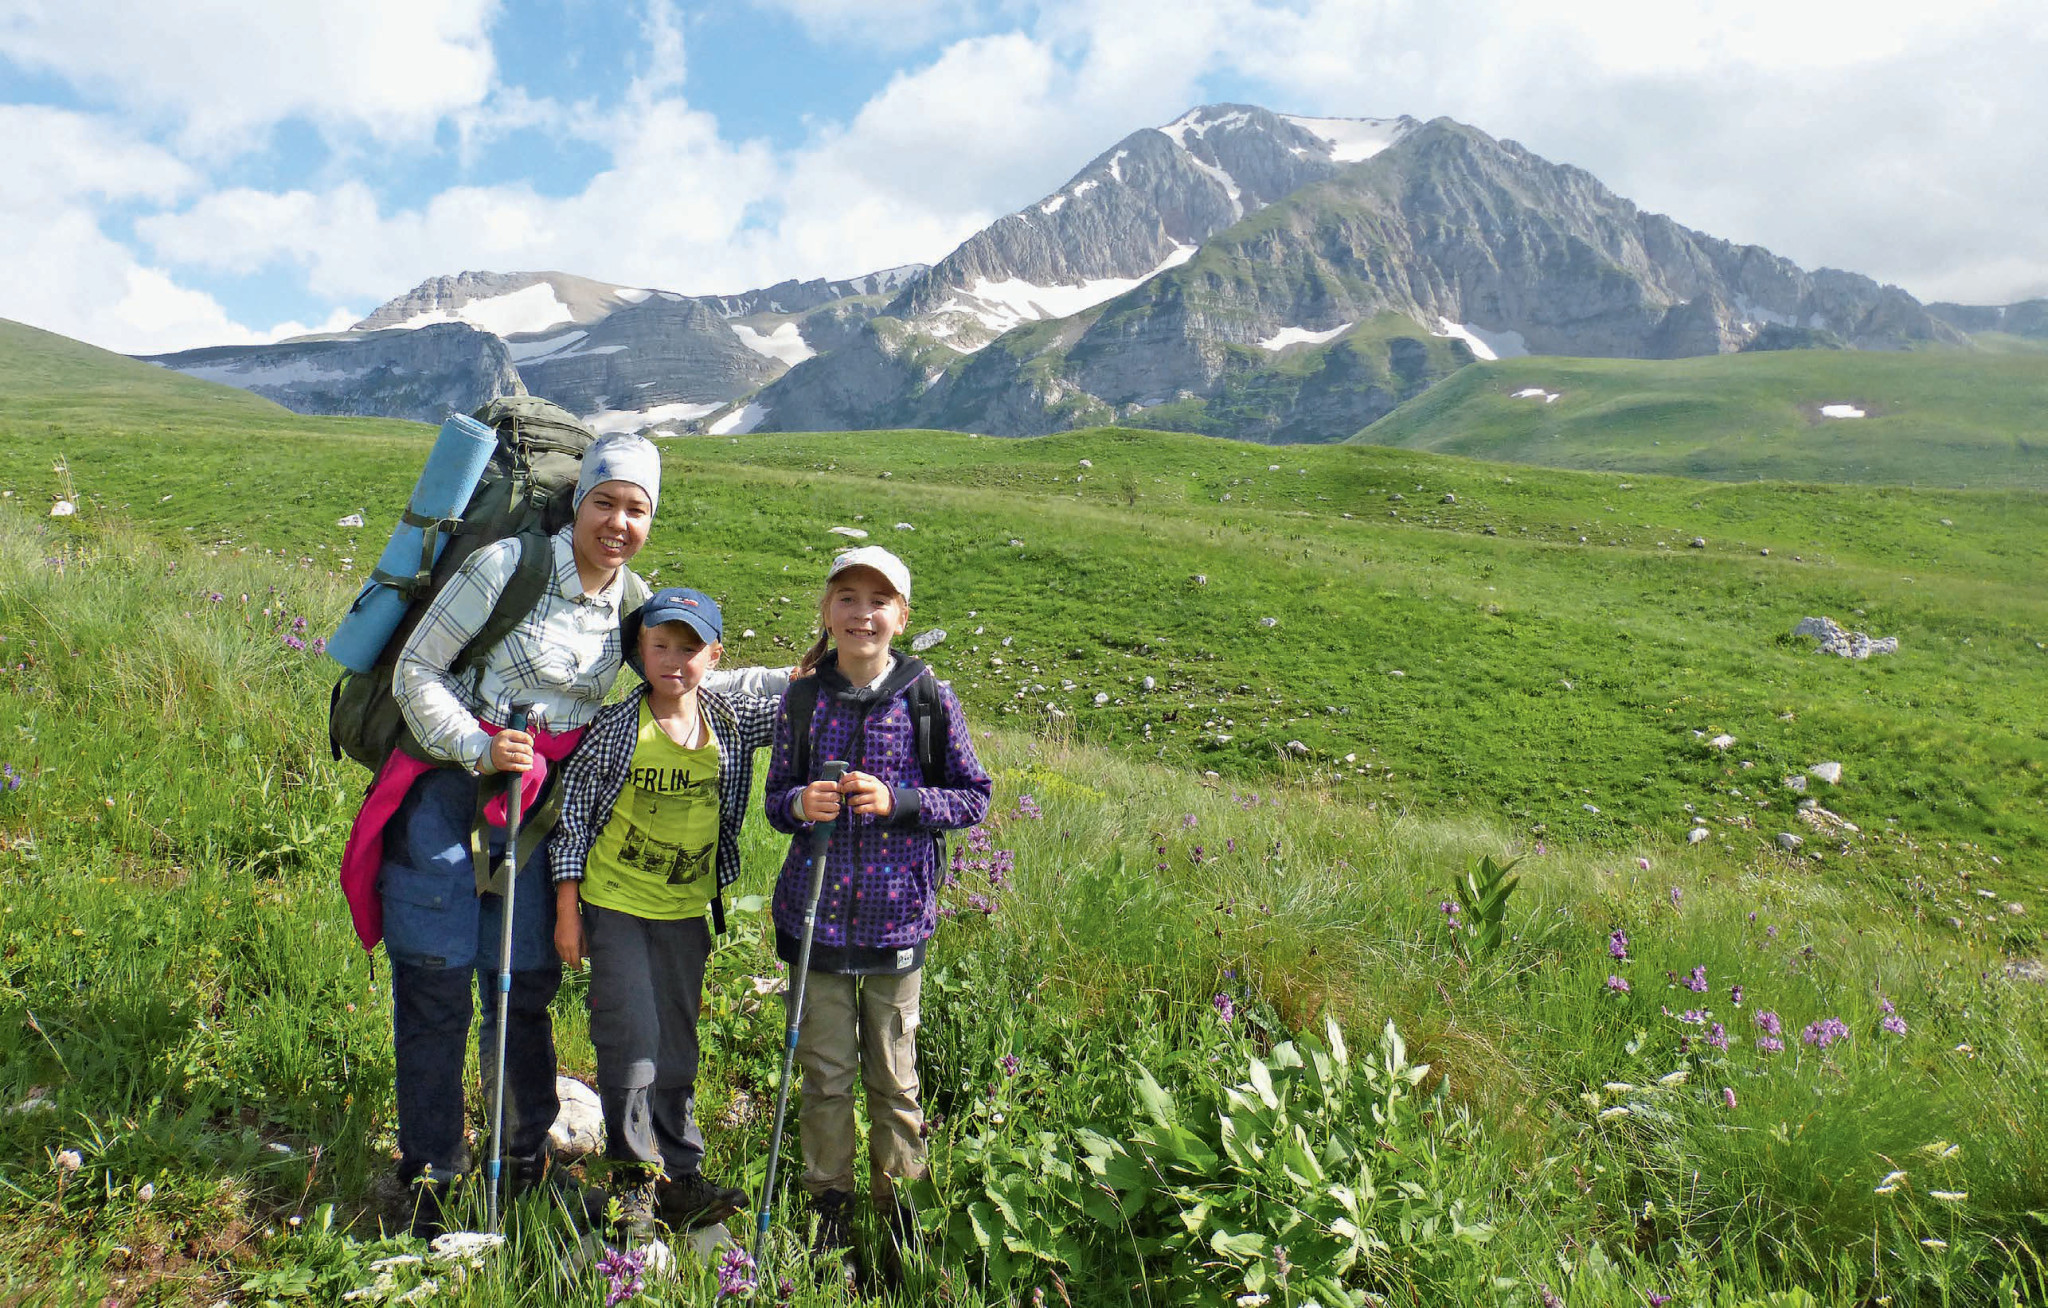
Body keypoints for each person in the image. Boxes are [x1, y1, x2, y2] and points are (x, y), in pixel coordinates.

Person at [373, 433, 660, 1234]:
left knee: (524, 986)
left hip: (540, 816)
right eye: (606, 502)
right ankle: (431, 1173)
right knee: (434, 984)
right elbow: (415, 670)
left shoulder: (633, 602)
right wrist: (477, 744)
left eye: (637, 509)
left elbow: (678, 678)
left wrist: (795, 686)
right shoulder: (508, 566)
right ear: (578, 501)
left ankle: (521, 1161)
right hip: (446, 791)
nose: (618, 522)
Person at [762, 546, 991, 1263]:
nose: (863, 614)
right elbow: (775, 801)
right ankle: (827, 1212)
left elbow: (974, 797)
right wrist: (801, 804)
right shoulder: (802, 699)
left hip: (898, 922)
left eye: (879, 601)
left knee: (894, 1080)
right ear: (827, 612)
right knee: (824, 1079)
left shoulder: (929, 698)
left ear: (902, 616)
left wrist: (901, 802)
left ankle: (901, 1222)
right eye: (848, 599)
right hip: (814, 922)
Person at [548, 587, 776, 1239]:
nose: (675, 660)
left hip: (685, 911)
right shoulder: (618, 728)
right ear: (640, 652)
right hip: (614, 905)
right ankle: (634, 1183)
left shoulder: (730, 720)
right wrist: (567, 910)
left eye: (690, 648)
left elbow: (803, 701)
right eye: (661, 645)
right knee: (632, 1040)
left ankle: (680, 1173)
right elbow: (573, 821)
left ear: (716, 656)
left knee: (677, 1041)